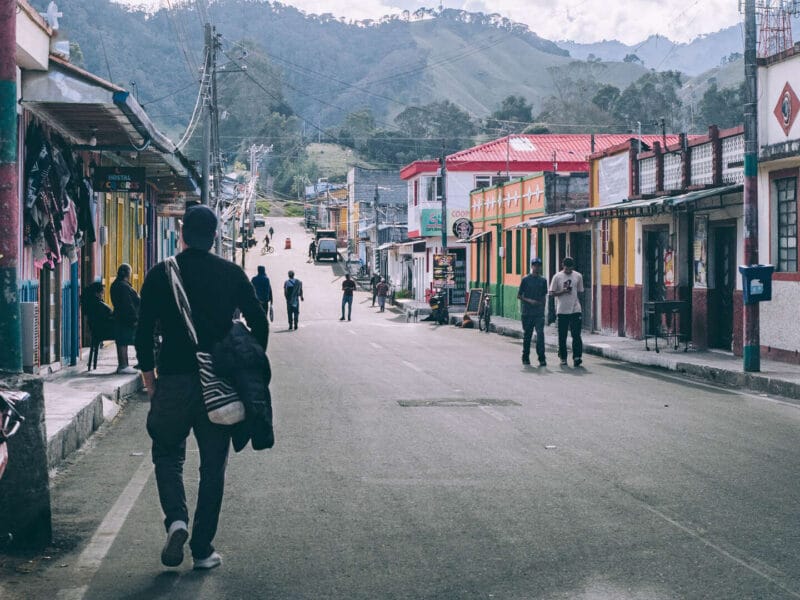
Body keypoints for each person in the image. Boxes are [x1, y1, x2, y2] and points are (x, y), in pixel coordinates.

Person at [134, 204, 268, 570]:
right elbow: (259, 322)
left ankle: (176, 520)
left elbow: (142, 333)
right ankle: (203, 549)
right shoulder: (231, 273)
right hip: (218, 384)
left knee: (166, 453)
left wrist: (150, 382)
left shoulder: (161, 275)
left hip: (173, 380)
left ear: (181, 232)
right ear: (214, 236)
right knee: (212, 466)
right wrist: (246, 366)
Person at [549, 256, 584, 367]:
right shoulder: (557, 277)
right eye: (566, 268)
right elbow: (551, 293)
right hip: (562, 310)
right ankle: (563, 357)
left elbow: (580, 291)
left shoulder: (578, 276)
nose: (568, 270)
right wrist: (562, 291)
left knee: (576, 335)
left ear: (573, 267)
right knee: (562, 335)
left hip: (575, 310)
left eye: (570, 268)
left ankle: (577, 357)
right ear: (563, 266)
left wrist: (579, 306)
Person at [110, 263, 140, 374]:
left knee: (122, 341)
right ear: (128, 274)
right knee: (124, 341)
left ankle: (124, 365)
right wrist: (134, 319)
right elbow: (128, 305)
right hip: (126, 319)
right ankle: (123, 365)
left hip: (120, 317)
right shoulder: (123, 286)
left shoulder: (116, 285)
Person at [518, 257, 548, 367]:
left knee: (540, 335)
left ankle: (542, 358)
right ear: (531, 266)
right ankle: (525, 356)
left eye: (538, 266)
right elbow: (519, 295)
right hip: (527, 312)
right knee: (527, 335)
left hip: (539, 313)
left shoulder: (543, 281)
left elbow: (544, 296)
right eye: (535, 265)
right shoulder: (525, 280)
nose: (537, 267)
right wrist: (529, 301)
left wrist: (543, 309)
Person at [81, 281, 113, 371]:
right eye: (102, 292)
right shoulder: (99, 305)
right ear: (96, 293)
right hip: (104, 332)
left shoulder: (91, 304)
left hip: (97, 331)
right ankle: (123, 364)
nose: (103, 294)